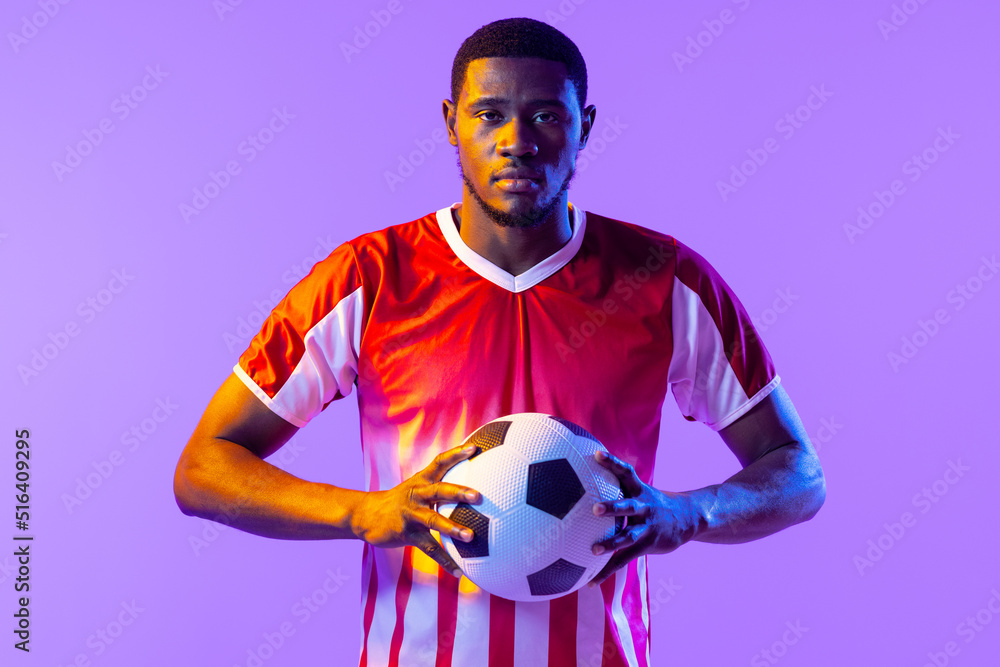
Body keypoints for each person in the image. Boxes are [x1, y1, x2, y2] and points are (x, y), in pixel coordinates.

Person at [173, 17, 825, 667]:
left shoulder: (663, 279)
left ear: (585, 126)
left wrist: (688, 513)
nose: (518, 141)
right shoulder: (370, 277)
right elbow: (203, 468)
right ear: (452, 121)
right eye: (490, 114)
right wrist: (364, 512)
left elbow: (799, 472)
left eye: (546, 116)